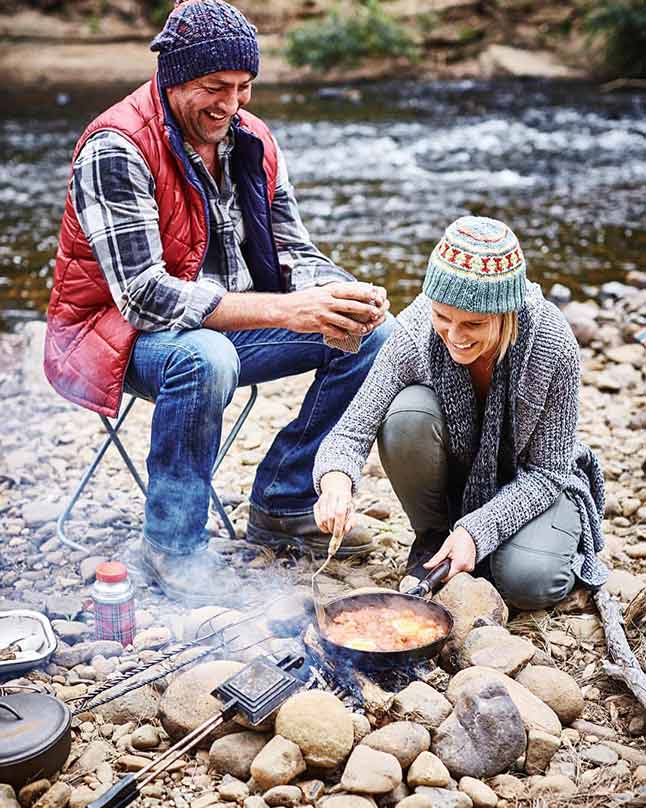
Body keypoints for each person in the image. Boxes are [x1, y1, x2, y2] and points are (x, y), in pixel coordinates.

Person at [44, 0, 392, 605]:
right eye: (214, 87)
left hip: (225, 325)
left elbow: (294, 251)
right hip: (111, 337)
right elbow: (145, 298)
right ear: (174, 78)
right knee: (204, 358)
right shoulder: (117, 146)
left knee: (372, 336)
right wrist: (288, 311)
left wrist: (343, 292)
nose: (230, 105)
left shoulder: (251, 139)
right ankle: (171, 544)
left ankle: (284, 502)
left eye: (243, 88)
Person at [313, 216, 608, 610]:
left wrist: (478, 530)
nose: (454, 336)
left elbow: (547, 473)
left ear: (507, 313)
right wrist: (335, 481)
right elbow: (352, 431)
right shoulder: (417, 328)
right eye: (443, 317)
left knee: (528, 583)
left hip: (532, 481)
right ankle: (434, 537)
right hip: (461, 474)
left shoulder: (552, 345)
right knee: (407, 415)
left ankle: (493, 545)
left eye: (474, 323)